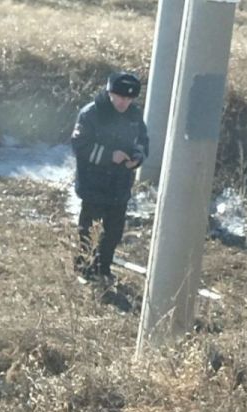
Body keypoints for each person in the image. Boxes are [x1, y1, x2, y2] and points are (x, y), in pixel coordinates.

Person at [71, 72, 149, 281]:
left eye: (129, 98)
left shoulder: (134, 114)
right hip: (94, 184)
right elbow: (80, 146)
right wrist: (109, 156)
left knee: (113, 232)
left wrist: (137, 157)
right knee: (89, 230)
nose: (125, 102)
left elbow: (142, 139)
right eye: (120, 97)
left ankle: (103, 269)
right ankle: (84, 269)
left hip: (120, 185)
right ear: (110, 93)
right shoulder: (90, 114)